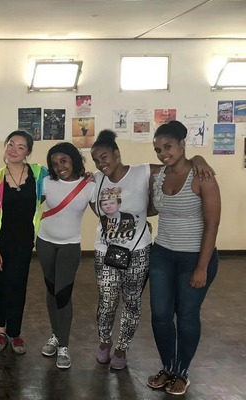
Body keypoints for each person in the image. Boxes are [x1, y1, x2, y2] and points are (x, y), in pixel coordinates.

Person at [89, 129, 214, 371]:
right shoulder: (95, 180)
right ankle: (104, 341)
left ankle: (122, 348)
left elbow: (176, 166)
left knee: (132, 302)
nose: (101, 163)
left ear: (117, 153)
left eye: (104, 157)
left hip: (138, 250)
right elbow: (96, 207)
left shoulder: (144, 172)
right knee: (107, 301)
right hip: (106, 250)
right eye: (96, 160)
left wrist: (198, 158)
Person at [147, 121, 220, 395]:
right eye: (158, 149)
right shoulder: (159, 176)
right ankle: (168, 367)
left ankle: (182, 371)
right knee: (160, 315)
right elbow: (152, 206)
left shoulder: (202, 176)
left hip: (194, 257)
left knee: (187, 315)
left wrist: (202, 267)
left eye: (168, 146)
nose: (163, 153)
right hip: (162, 254)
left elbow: (212, 225)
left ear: (182, 144)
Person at [0, 130, 48, 355]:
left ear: (28, 152)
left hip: (23, 242)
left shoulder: (39, 174)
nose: (14, 150)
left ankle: (15, 333)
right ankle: (1, 331)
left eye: (21, 147)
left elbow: (64, 181)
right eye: (11, 144)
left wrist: (86, 176)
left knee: (17, 286)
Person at [36, 142, 95, 369]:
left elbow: (103, 211)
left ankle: (64, 346)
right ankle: (55, 334)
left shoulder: (89, 185)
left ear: (74, 160)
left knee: (63, 293)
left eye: (63, 161)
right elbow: (30, 204)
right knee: (51, 291)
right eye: (54, 163)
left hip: (70, 246)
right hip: (45, 243)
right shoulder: (47, 182)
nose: (59, 167)